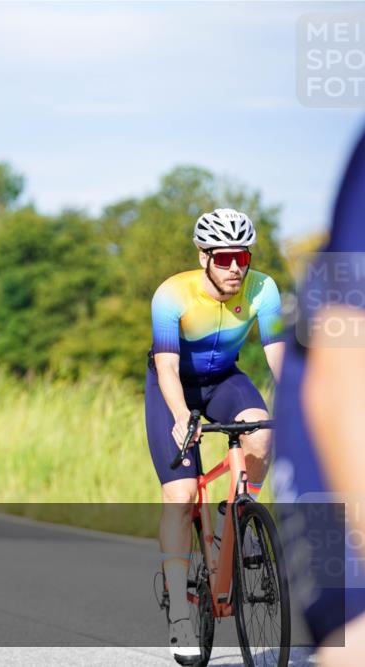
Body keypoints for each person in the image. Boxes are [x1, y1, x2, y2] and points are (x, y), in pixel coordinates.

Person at [146, 208, 285, 664]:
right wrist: (181, 415)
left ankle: (237, 518)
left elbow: (277, 352)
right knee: (182, 495)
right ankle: (180, 619)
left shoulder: (263, 288)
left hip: (225, 379)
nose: (235, 268)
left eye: (242, 257)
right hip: (174, 387)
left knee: (261, 440)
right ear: (204, 255)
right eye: (223, 258)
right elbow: (166, 365)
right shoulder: (172, 294)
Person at [273, 127, 365, 667]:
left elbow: (267, 351)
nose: (232, 267)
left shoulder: (257, 295)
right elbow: (339, 367)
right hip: (339, 378)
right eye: (220, 257)